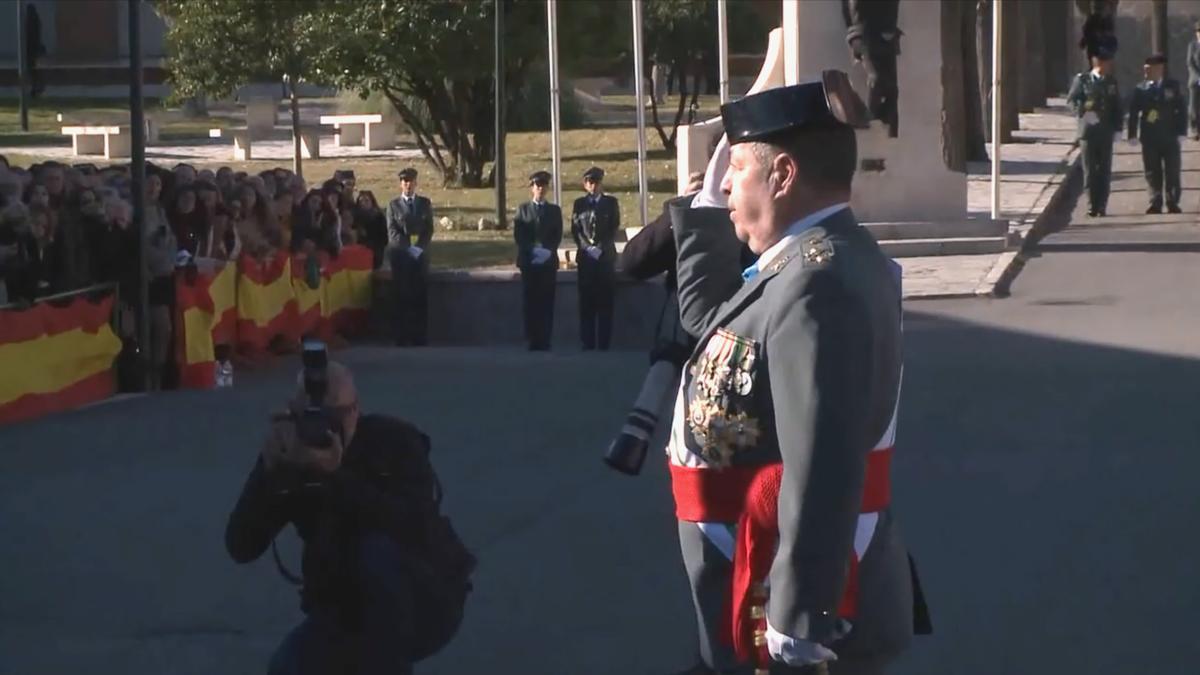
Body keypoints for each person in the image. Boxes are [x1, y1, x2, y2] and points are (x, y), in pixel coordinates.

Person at [665, 71, 927, 675]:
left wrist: (800, 610)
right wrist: (708, 211)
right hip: (753, 571)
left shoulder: (816, 285)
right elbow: (715, 324)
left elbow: (826, 461)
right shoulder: (810, 262)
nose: (727, 182)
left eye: (737, 169)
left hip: (777, 593)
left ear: (782, 175)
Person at [225, 359, 474, 675]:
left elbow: (410, 526)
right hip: (345, 608)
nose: (323, 428)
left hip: (425, 600)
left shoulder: (395, 442)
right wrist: (269, 471)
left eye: (334, 416)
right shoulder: (294, 459)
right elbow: (240, 546)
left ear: (356, 410)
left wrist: (334, 476)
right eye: (311, 417)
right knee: (285, 668)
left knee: (375, 551)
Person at [1127, 54, 1187, 214]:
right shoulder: (1140, 89)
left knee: (1172, 170)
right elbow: (1133, 112)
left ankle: (1172, 201)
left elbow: (1181, 109)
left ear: (1159, 69)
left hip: (1170, 134)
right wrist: (1132, 134)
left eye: (1150, 68)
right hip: (1150, 136)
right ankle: (1155, 201)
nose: (1146, 71)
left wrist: (1182, 131)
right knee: (1152, 170)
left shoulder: (1172, 86)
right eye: (1145, 68)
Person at [1068, 45, 1123, 217]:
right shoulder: (1082, 80)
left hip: (1105, 131)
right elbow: (1072, 101)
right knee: (1090, 170)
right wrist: (1083, 114)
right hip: (1088, 132)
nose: (1107, 65)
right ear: (1095, 62)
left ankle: (1102, 206)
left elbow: (1116, 106)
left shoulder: (1111, 82)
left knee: (1104, 170)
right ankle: (1092, 204)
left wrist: (1118, 128)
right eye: (1104, 62)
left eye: (1108, 62)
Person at [513, 170, 563, 351]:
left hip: (548, 262)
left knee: (546, 302)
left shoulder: (554, 210)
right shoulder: (523, 209)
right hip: (529, 262)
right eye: (537, 185)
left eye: (543, 185)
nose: (540, 189)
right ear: (532, 188)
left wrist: (547, 251)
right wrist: (532, 250)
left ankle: (545, 338)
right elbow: (519, 235)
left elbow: (557, 234)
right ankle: (532, 338)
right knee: (530, 302)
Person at [571, 166, 619, 351]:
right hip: (586, 259)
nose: (593, 185)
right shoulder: (579, 204)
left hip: (604, 259)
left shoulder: (610, 203)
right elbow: (576, 230)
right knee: (586, 302)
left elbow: (613, 227)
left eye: (596, 182)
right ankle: (587, 342)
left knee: (605, 302)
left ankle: (604, 342)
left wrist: (600, 248)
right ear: (585, 185)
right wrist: (587, 247)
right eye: (590, 182)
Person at [386, 168, 433, 347]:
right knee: (402, 296)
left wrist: (418, 248)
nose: (408, 184)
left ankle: (419, 336)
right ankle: (402, 336)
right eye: (404, 181)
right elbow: (392, 231)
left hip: (419, 257)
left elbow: (428, 229)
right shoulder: (393, 205)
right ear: (400, 184)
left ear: (415, 183)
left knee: (420, 297)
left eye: (410, 181)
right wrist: (407, 249)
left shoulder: (424, 203)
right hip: (400, 257)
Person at [352, 190, 388, 269]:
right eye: (361, 201)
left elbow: (384, 237)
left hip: (375, 251)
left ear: (372, 202)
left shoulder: (378, 217)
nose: (364, 203)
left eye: (366, 200)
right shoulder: (356, 218)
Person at [1188, 22, 1200, 140]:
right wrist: (1198, 77)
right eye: (1198, 31)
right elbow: (1190, 63)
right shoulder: (1193, 45)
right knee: (1194, 106)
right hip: (1195, 80)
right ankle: (1195, 129)